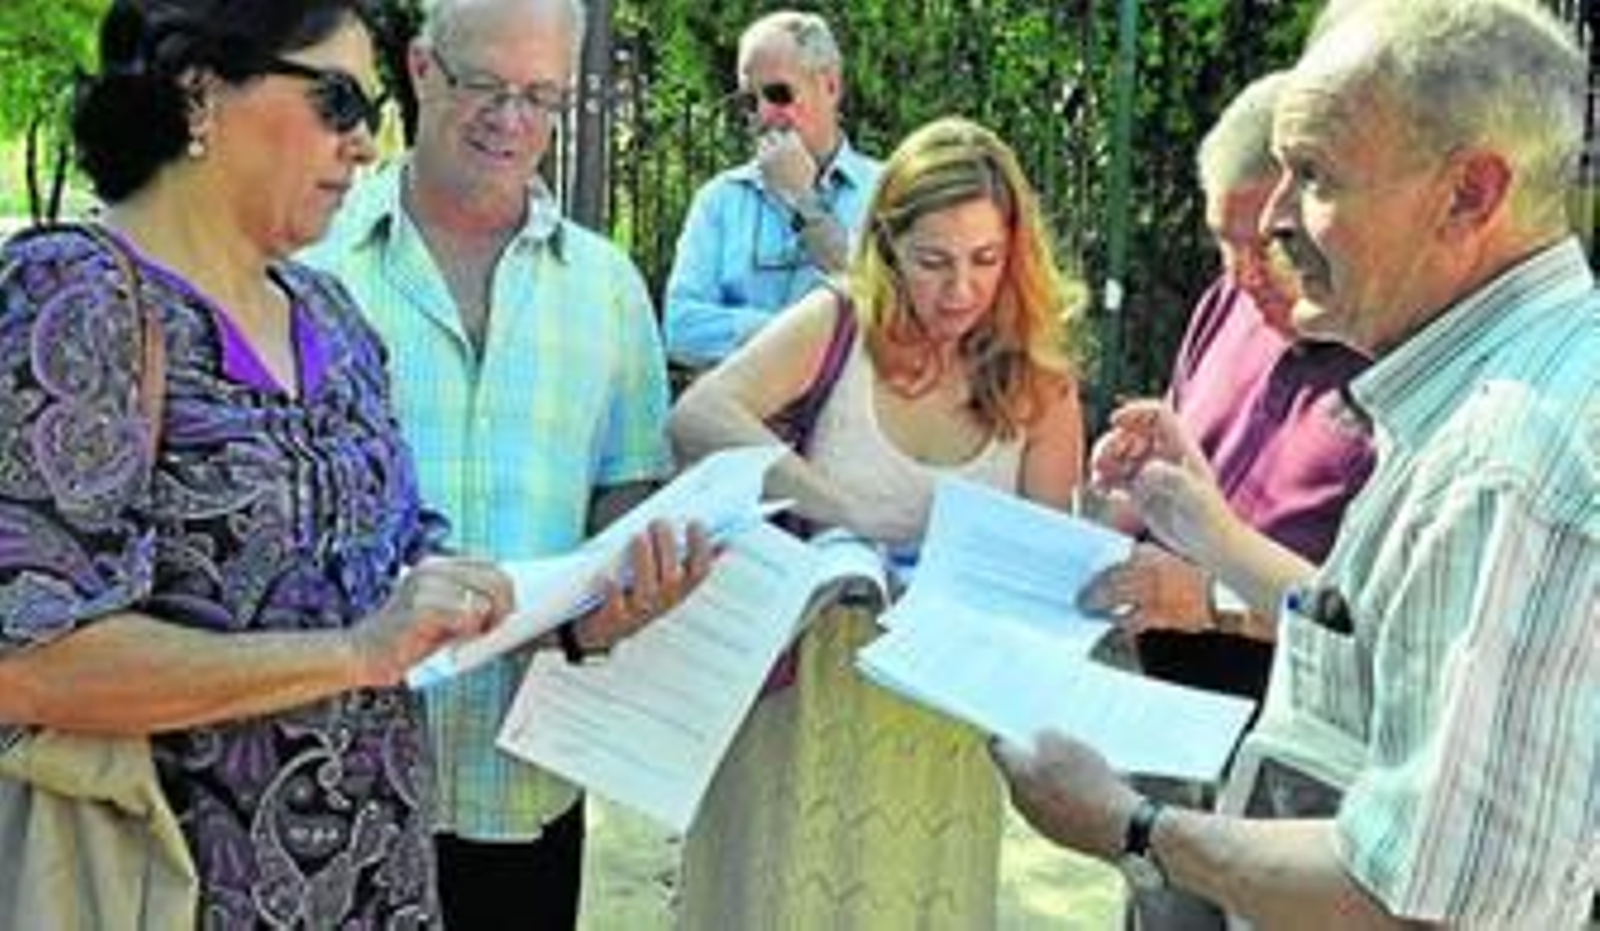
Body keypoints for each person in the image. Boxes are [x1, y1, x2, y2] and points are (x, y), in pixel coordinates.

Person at [993, 1, 1599, 927]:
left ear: (1470, 193)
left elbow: (1418, 898)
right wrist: (1205, 524)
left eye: (1313, 176)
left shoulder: (1505, 463)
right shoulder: (1488, 389)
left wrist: (1130, 824)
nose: (1277, 220)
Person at [302, 0, 690, 926]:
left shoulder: (608, 287)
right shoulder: (310, 258)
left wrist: (638, 572)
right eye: (486, 85)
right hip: (325, 776)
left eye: (542, 95)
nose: (513, 120)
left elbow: (624, 493)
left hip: (525, 783)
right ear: (424, 68)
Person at [670, 116, 1087, 929]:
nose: (960, 289)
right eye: (933, 261)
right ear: (888, 244)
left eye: (985, 260)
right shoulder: (839, 321)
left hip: (941, 723)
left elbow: (1046, 570)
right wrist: (840, 509)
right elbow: (699, 413)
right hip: (801, 702)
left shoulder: (1042, 382)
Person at [1078, 70, 1375, 931]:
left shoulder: (1395, 357)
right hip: (1164, 733)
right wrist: (1140, 469)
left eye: (1270, 245)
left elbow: (1376, 616)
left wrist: (1207, 599)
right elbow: (1200, 477)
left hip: (1300, 769)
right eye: (1222, 242)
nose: (1245, 275)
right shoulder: (1227, 304)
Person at [661, 10, 883, 370]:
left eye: (779, 94)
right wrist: (796, 338)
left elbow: (888, 311)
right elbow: (681, 328)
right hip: (741, 419)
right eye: (750, 101)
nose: (764, 114)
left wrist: (803, 200)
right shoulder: (720, 200)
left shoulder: (886, 189)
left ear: (830, 86)